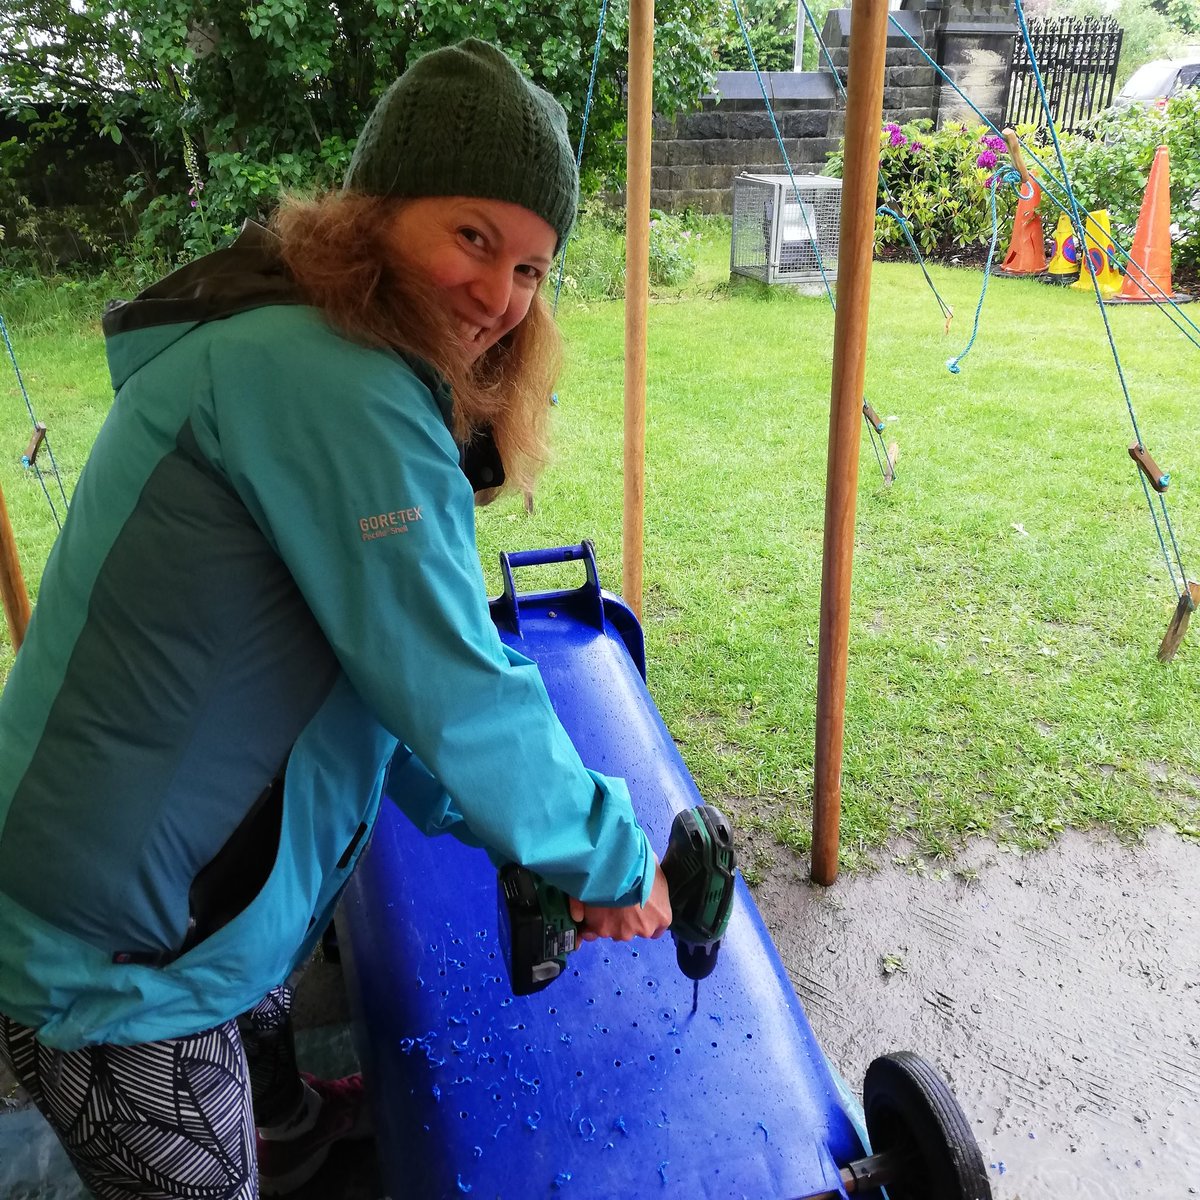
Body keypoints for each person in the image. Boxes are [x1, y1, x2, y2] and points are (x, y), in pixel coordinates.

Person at [0, 39, 671, 1200]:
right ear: (375, 212)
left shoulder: (306, 346)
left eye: (530, 266)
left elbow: (380, 683)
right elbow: (454, 685)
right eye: (473, 237)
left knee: (263, 1011)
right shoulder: (329, 380)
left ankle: (292, 1128)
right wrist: (606, 855)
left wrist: (506, 831)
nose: (502, 298)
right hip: (108, 959)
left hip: (153, 892)